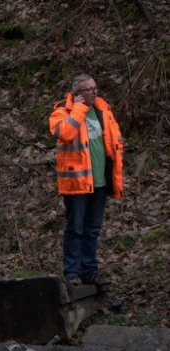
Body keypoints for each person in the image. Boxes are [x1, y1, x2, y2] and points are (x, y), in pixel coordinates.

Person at [49, 74, 124, 287]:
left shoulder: (103, 110)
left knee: (92, 230)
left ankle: (90, 271)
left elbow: (114, 142)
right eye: (88, 89)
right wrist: (79, 109)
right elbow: (64, 133)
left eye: (95, 88)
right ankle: (72, 273)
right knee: (76, 229)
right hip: (76, 183)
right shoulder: (63, 111)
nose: (94, 92)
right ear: (77, 94)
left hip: (99, 181)